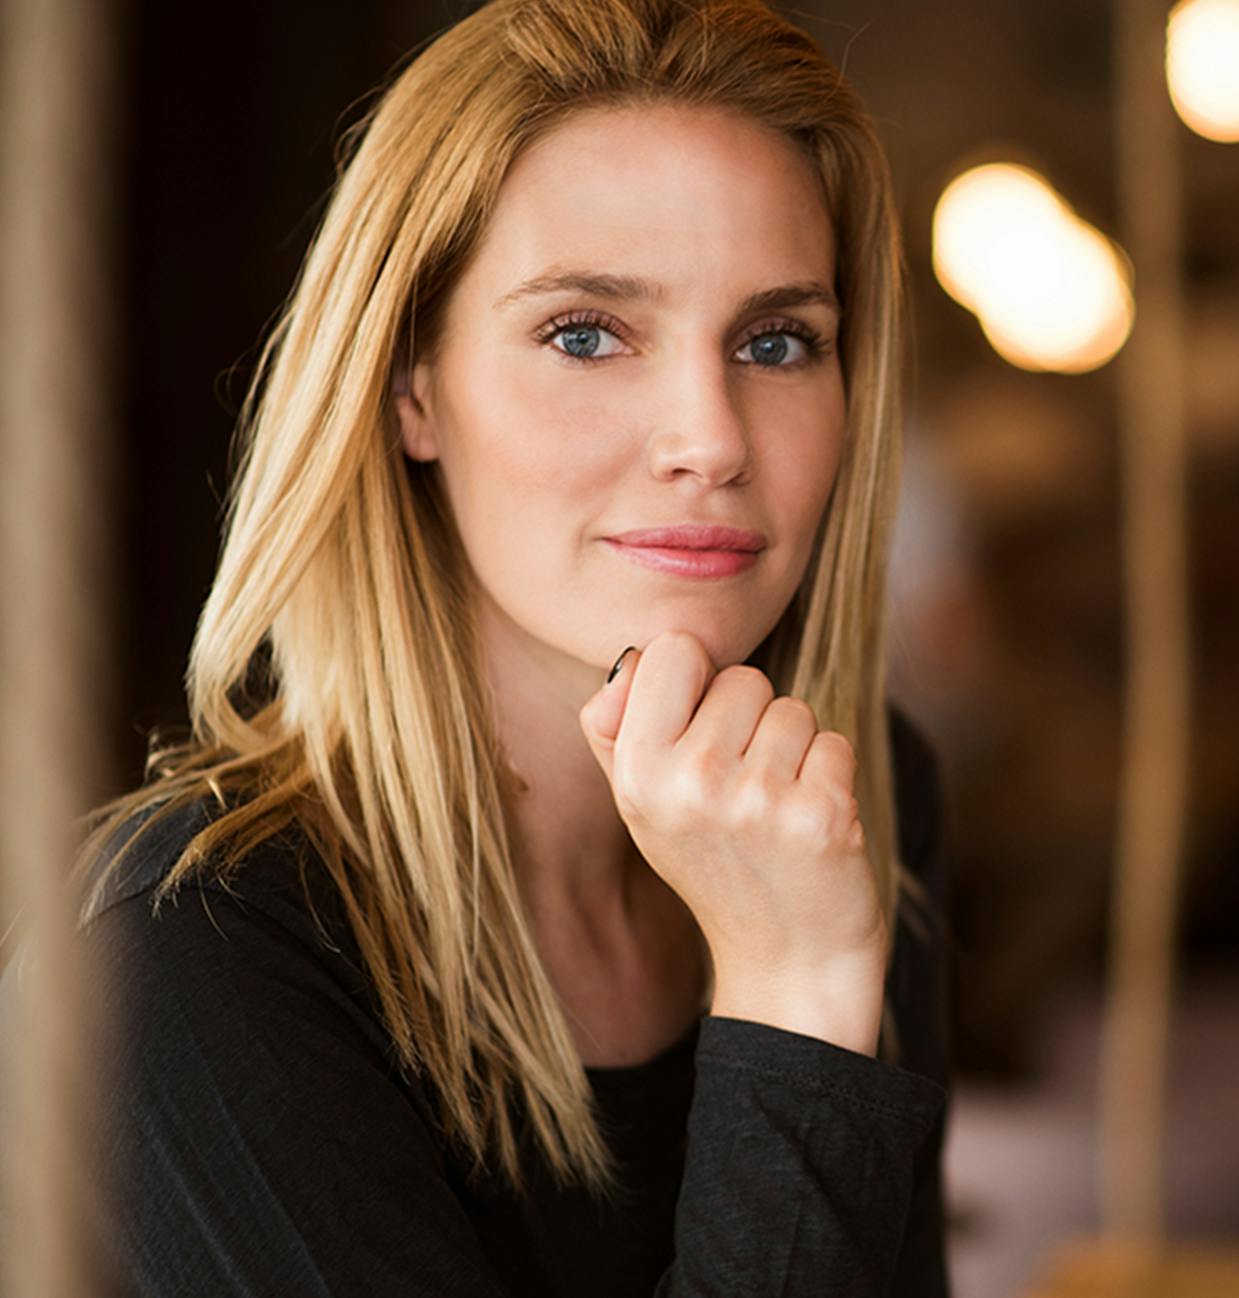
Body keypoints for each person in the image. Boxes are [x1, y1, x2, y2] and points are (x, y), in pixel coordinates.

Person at [54, 1, 952, 1293]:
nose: (709, 436)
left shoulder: (844, 807)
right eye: (586, 333)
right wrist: (799, 992)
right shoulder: (191, 955)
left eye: (776, 340)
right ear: (410, 383)